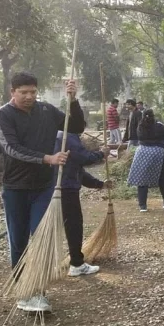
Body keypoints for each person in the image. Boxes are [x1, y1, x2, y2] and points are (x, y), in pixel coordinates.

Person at [0, 71, 75, 313]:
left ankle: (38, 290)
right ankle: (23, 290)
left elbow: (75, 125)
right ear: (13, 93)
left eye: (32, 92)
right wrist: (46, 158)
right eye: (23, 93)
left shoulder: (47, 111)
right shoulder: (4, 114)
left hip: (43, 186)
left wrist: (73, 99)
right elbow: (11, 147)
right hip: (15, 188)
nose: (29, 96)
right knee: (18, 241)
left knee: (42, 236)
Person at [54, 105, 109, 277]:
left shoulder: (56, 136)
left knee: (61, 225)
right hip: (66, 188)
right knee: (73, 225)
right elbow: (83, 158)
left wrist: (100, 184)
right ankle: (76, 263)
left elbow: (77, 169)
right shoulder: (69, 138)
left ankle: (56, 262)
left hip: (54, 186)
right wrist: (101, 154)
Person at [127, 109, 164, 211]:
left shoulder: (140, 126)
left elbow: (139, 136)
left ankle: (143, 206)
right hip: (157, 152)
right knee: (163, 177)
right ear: (153, 116)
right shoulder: (158, 125)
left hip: (142, 152)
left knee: (141, 178)